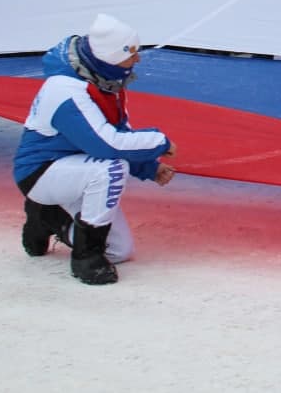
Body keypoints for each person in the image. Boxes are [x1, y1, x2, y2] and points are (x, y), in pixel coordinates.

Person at [13, 14, 175, 285]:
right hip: (41, 173)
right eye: (131, 53)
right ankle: (86, 259)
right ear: (110, 58)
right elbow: (106, 143)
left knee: (120, 251)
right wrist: (161, 142)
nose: (138, 60)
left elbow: (118, 134)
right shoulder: (66, 89)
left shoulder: (104, 82)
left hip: (78, 169)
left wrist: (149, 167)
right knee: (112, 168)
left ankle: (49, 220)